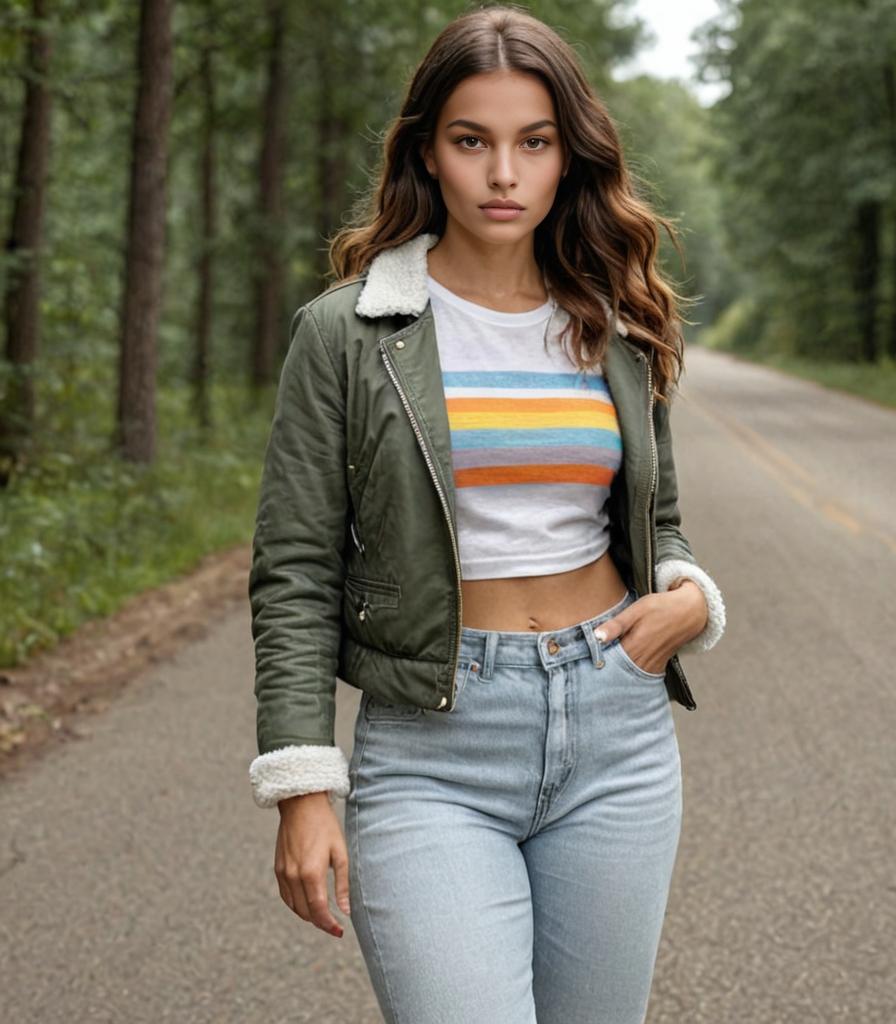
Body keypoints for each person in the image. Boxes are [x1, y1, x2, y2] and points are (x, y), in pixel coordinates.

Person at [246, 7, 726, 1023]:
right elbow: (293, 567)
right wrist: (300, 783)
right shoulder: (348, 333)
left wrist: (685, 596)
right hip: (433, 745)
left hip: (617, 725)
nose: (502, 173)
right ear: (429, 150)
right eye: (473, 141)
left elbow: (659, 519)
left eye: (533, 142)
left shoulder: (620, 320)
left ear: (568, 156)